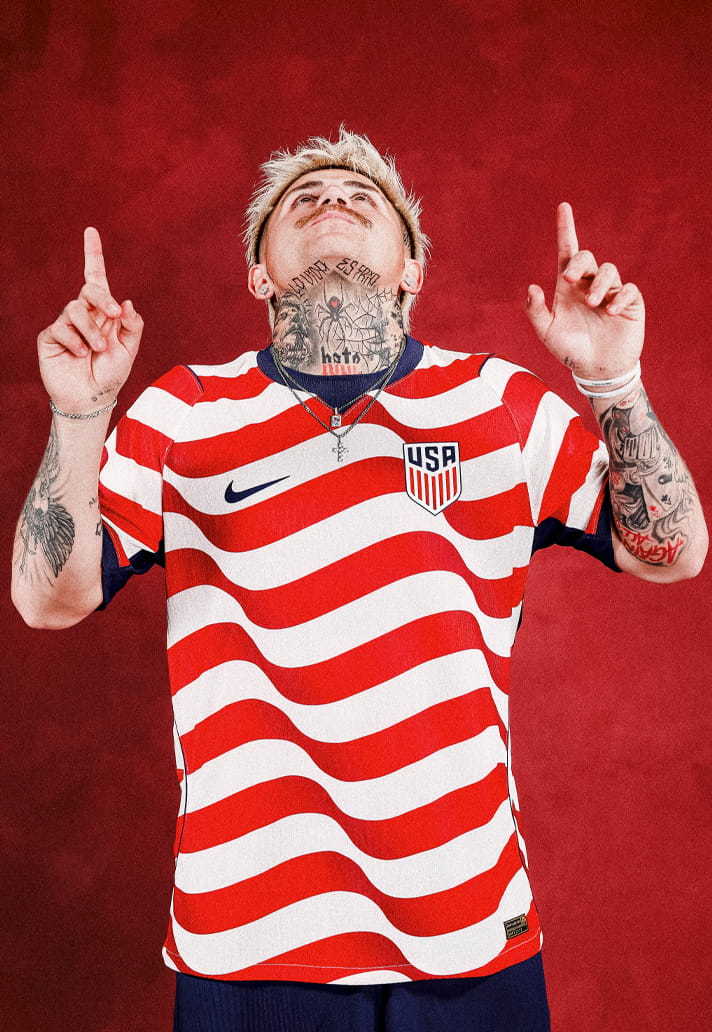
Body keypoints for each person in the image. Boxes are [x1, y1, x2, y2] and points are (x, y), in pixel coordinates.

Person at [11, 126, 708, 1032]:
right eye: (302, 200)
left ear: (413, 270)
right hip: (246, 946)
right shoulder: (183, 412)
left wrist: (615, 383)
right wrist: (79, 415)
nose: (333, 201)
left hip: (468, 935)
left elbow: (673, 550)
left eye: (361, 198)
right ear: (258, 276)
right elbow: (47, 599)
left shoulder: (498, 404)